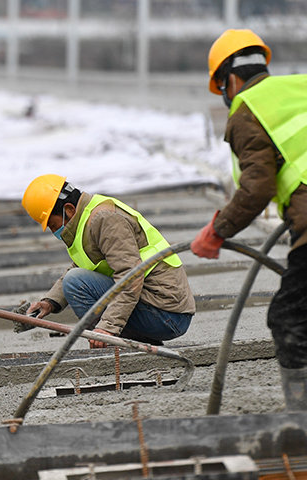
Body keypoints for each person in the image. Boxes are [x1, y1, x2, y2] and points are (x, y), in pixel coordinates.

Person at [191, 29, 307, 411]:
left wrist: (217, 231)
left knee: (289, 318)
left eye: (223, 90)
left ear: (230, 81)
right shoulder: (300, 88)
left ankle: (301, 419)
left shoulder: (247, 109)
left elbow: (257, 186)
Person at [16, 174, 195, 348]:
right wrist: (49, 302)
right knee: (74, 279)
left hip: (167, 314)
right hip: (157, 307)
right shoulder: (87, 218)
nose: (53, 231)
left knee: (75, 282)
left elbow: (130, 275)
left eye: (53, 225)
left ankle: (111, 339)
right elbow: (83, 265)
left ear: (68, 209)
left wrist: (107, 327)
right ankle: (126, 340)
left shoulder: (104, 219)